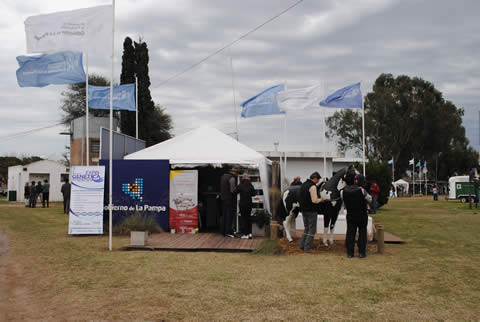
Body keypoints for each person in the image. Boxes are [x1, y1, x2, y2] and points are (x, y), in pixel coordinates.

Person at [341, 170, 372, 258]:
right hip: (362, 214)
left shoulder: (343, 192)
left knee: (350, 233)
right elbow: (369, 199)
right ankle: (361, 252)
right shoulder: (361, 190)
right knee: (362, 233)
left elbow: (343, 201)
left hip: (350, 214)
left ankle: (350, 253)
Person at [298, 171, 326, 252]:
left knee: (306, 228)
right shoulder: (312, 187)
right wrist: (322, 200)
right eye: (318, 179)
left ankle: (302, 245)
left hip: (303, 210)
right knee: (312, 230)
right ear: (315, 178)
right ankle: (308, 248)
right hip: (311, 211)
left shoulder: (303, 184)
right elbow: (314, 200)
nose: (318, 181)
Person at [220, 168, 238, 238]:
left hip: (223, 199)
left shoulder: (223, 177)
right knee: (229, 216)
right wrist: (238, 190)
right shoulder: (231, 178)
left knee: (224, 216)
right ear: (233, 172)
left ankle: (223, 232)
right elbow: (233, 190)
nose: (236, 174)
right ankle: (228, 232)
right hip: (229, 199)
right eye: (236, 172)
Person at [237, 174, 255, 239]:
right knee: (248, 218)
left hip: (242, 204)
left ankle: (245, 234)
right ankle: (250, 233)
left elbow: (235, 191)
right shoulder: (251, 185)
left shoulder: (240, 185)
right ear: (248, 179)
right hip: (249, 203)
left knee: (244, 218)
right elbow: (254, 194)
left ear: (243, 178)